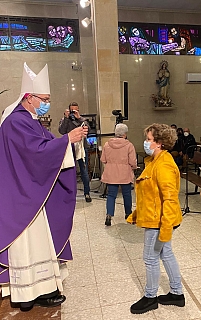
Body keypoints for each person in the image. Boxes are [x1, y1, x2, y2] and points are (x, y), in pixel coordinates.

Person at [0, 62, 87, 311]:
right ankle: (29, 293)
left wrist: (68, 141)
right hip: (24, 194)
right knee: (29, 243)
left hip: (29, 192)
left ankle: (38, 290)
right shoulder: (17, 121)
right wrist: (67, 140)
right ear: (29, 97)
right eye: (44, 99)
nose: (47, 102)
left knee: (37, 243)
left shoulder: (29, 120)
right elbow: (35, 154)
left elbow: (46, 144)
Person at [127, 123, 184, 314]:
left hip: (159, 221)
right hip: (154, 216)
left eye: (149, 139)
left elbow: (170, 197)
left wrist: (166, 226)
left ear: (159, 143)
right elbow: (150, 194)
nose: (146, 142)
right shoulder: (155, 161)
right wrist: (136, 214)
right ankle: (177, 294)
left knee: (150, 258)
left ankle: (150, 297)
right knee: (165, 254)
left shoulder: (164, 164)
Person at [100, 124, 137, 226]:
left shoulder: (107, 145)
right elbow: (133, 162)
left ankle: (109, 214)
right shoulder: (129, 145)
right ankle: (128, 214)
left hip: (111, 173)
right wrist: (134, 168)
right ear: (125, 134)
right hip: (125, 173)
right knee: (127, 194)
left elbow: (103, 159)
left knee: (111, 195)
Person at [59, 102, 92, 202]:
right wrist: (66, 118)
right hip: (69, 147)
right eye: (72, 110)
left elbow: (88, 130)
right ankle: (70, 194)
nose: (74, 112)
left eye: (75, 110)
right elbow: (61, 131)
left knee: (84, 171)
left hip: (81, 148)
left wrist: (79, 118)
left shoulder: (82, 120)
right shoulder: (65, 120)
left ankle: (87, 193)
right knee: (70, 171)